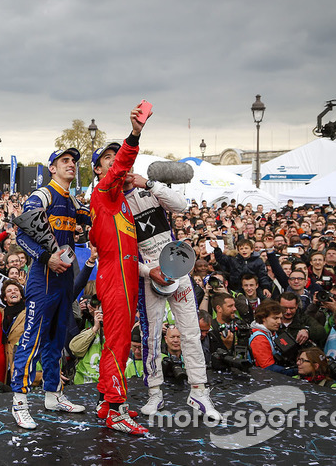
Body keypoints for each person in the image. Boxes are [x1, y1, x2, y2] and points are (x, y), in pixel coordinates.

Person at [123, 153, 220, 422]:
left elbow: (181, 204)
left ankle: (200, 391)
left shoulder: (149, 188)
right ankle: (155, 392)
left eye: (128, 165)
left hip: (176, 267)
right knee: (151, 335)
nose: (126, 170)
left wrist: (149, 184)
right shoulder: (115, 204)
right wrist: (148, 271)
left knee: (190, 330)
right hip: (148, 276)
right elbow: (121, 254)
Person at [10, 143, 92, 430]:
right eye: (65, 160)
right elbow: (21, 233)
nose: (71, 164)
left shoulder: (73, 200)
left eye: (74, 161)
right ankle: (19, 402)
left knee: (56, 340)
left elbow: (91, 220)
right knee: (31, 338)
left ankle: (53, 394)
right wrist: (47, 258)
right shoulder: (43, 194)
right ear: (52, 168)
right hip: (43, 277)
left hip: (64, 278)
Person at [85, 105, 149, 434]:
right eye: (107, 159)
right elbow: (125, 163)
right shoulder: (106, 191)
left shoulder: (114, 198)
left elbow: (97, 237)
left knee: (117, 339)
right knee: (119, 341)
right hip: (116, 275)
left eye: (116, 156)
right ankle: (115, 409)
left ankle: (105, 401)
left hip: (120, 271)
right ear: (98, 169)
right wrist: (135, 134)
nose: (115, 161)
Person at [248, 300, 296, 375]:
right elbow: (268, 368)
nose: (279, 322)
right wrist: (296, 371)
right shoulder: (259, 338)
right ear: (263, 318)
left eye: (280, 318)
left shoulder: (271, 332)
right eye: (275, 318)